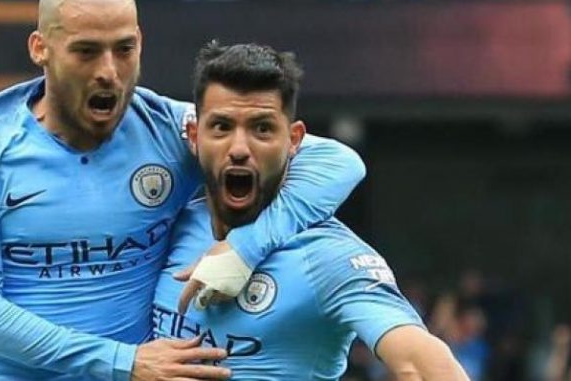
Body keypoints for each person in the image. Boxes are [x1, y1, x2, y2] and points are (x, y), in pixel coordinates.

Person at [0, 0, 365, 381]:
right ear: (40, 48)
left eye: (124, 49)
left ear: (140, 42)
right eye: (86, 51)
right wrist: (122, 362)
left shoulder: (168, 129)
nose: (108, 71)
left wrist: (244, 247)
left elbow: (338, 162)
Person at [153, 41, 470, 380]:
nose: (239, 149)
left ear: (294, 140)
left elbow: (426, 365)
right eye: (222, 127)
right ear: (193, 136)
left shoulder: (328, 256)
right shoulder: (170, 225)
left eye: (262, 128)